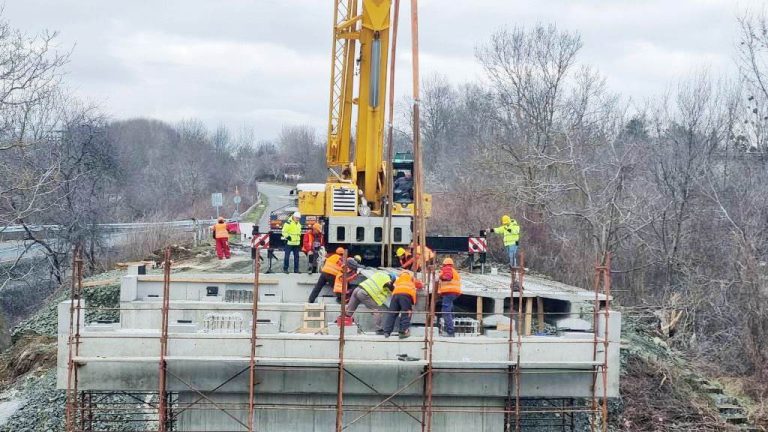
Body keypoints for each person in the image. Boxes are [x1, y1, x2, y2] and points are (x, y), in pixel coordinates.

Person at [382, 271, 424, 339]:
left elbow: (393, 287)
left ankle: (387, 332)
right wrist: (423, 284)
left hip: (395, 295)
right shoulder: (411, 278)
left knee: (392, 313)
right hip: (406, 295)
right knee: (406, 313)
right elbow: (420, 285)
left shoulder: (398, 280)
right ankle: (403, 331)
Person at [438, 258, 462, 337]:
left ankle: (450, 331)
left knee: (445, 311)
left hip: (449, 292)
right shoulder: (453, 270)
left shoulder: (447, 268)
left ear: (444, 264)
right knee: (450, 310)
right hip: (453, 293)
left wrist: (441, 277)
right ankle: (450, 328)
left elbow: (448, 277)